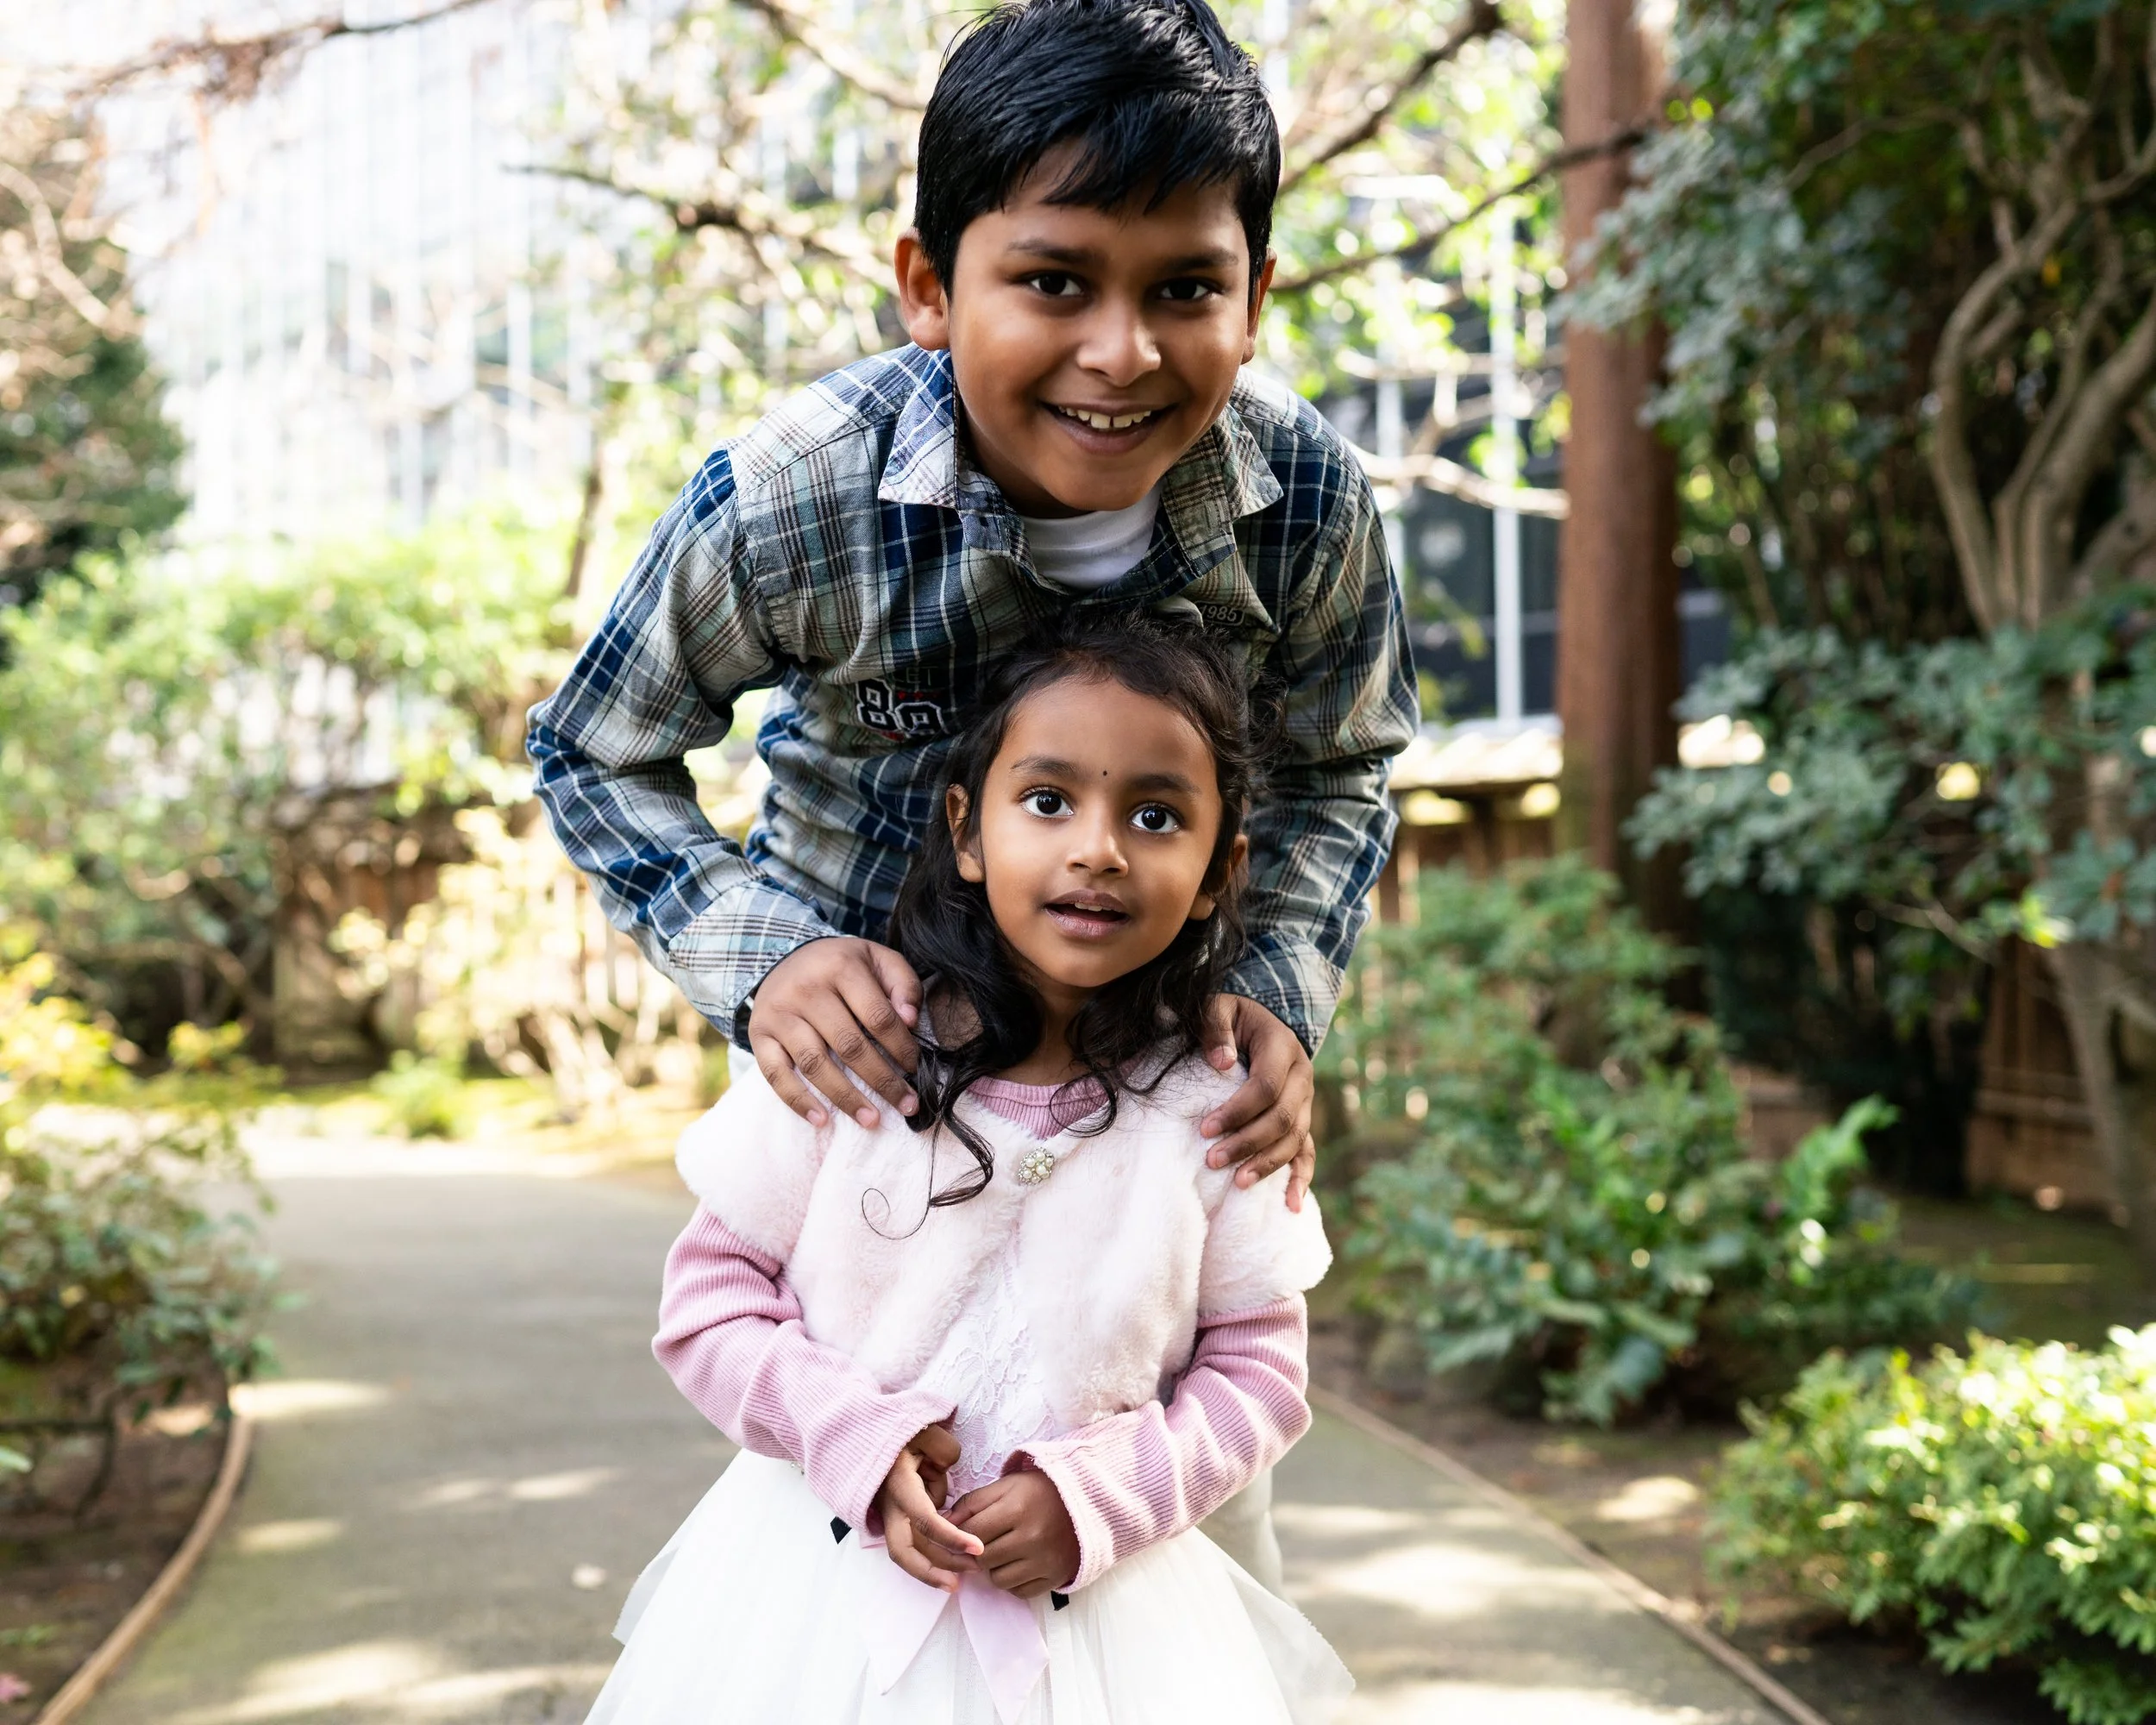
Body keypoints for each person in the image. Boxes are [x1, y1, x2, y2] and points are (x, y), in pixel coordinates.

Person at [527, 0, 1416, 1581]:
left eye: (1187, 289)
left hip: (1149, 1130)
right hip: (877, 1126)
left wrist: (1279, 984)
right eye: (1056, 281)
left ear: (1259, 296)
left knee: (1187, 1572)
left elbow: (1347, 765)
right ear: (932, 285)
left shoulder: (1308, 506)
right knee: (845, 1558)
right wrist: (768, 961)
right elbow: (593, 744)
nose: (1121, 351)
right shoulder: (795, 494)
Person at [587, 618, 1352, 1724]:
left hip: (1113, 1633)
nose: (1099, 848)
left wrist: (1099, 1500)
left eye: (1155, 815)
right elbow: (708, 1301)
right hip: (814, 1602)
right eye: (1048, 801)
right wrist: (850, 1435)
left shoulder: (1219, 1105)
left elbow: (1261, 1371)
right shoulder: (849, 1056)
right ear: (967, 826)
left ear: (1218, 868)